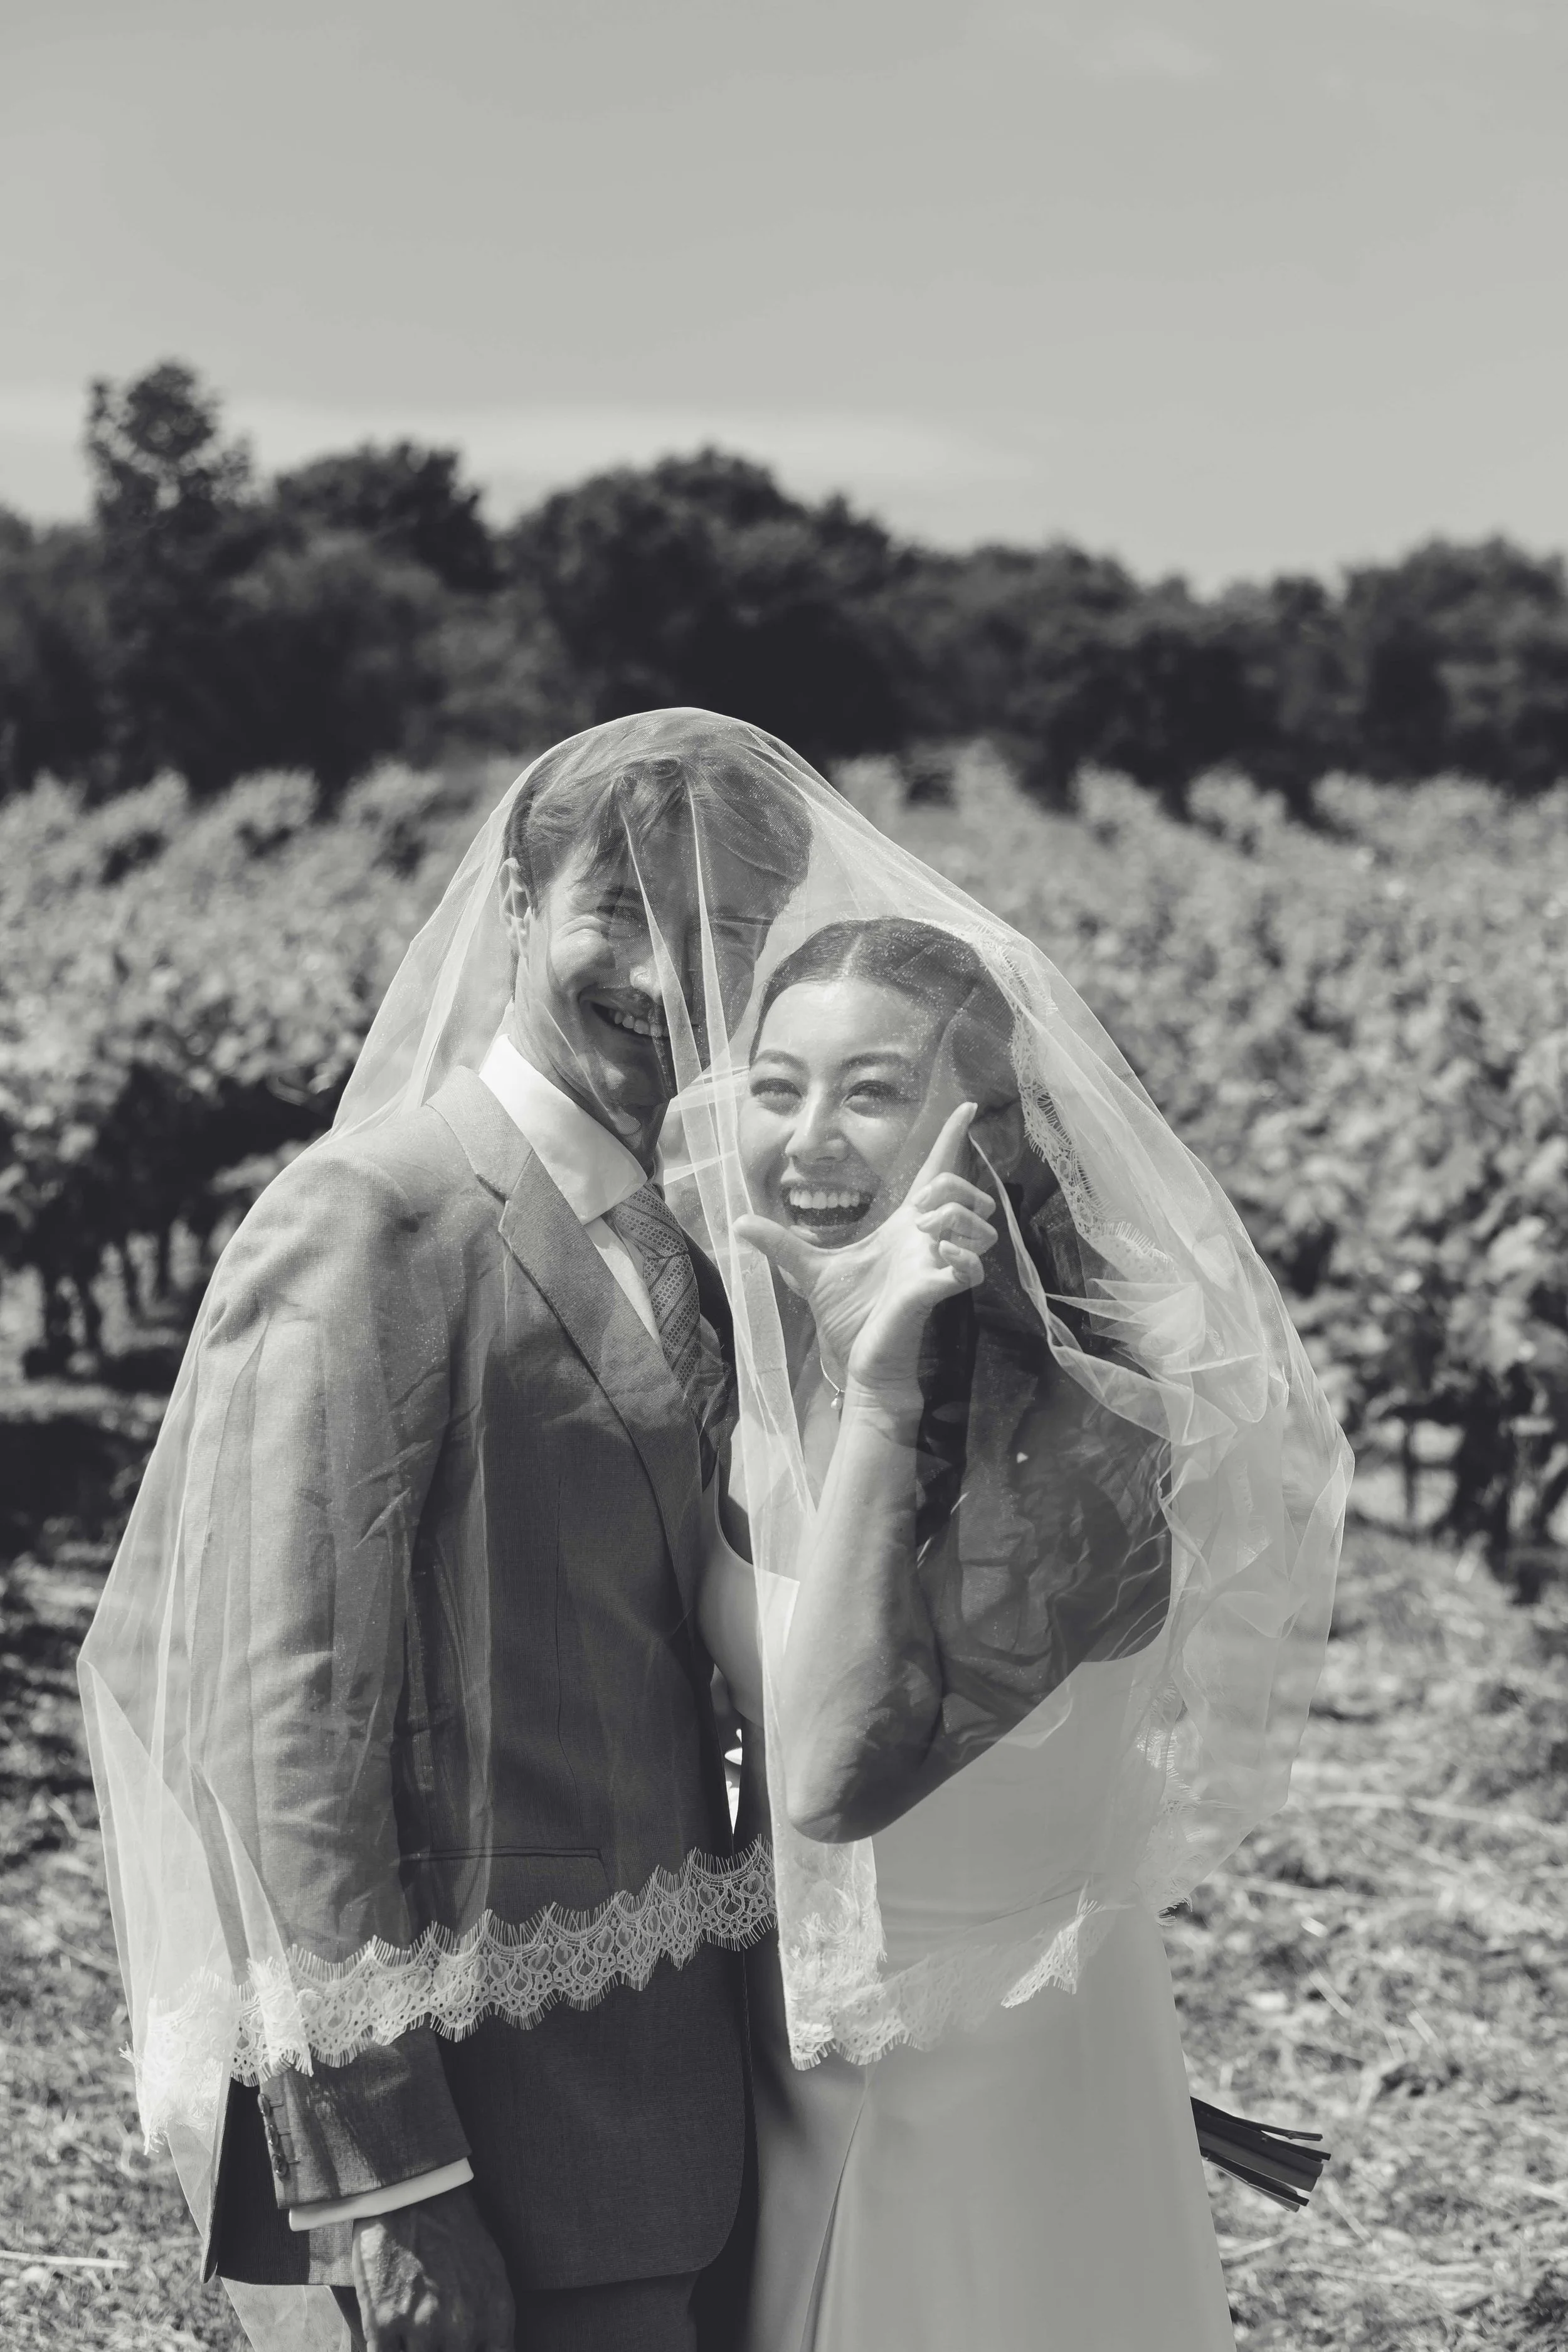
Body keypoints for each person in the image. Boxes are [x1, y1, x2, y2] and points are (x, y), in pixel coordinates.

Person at [78, 712, 810, 2352]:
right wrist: (390, 2180)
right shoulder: (369, 1217)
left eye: (733, 926)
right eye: (625, 907)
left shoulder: (692, 1226)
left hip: (686, 2109)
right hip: (493, 2146)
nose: (676, 970)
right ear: (516, 904)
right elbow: (277, 1731)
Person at [702, 917, 1244, 2349]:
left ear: (995, 1136)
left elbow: (833, 1776)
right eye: (776, 1087)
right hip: (782, 2064)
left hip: (981, 2091)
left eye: (873, 1092)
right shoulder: (771, 1354)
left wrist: (879, 1397)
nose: (809, 1139)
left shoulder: (1089, 1444)